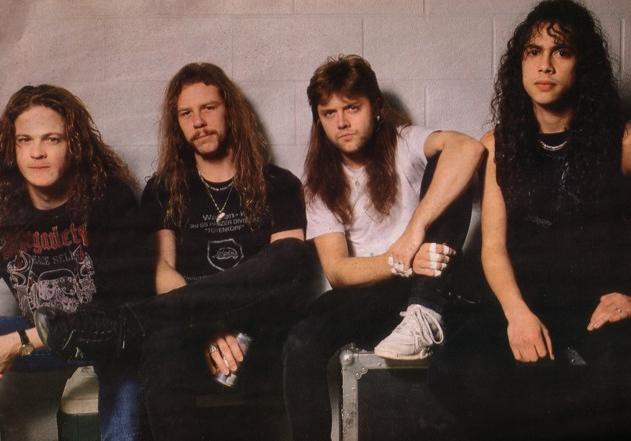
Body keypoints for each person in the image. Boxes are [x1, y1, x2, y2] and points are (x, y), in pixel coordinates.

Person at [36, 63, 310, 441]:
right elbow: (163, 270)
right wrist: (211, 327)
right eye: (186, 113)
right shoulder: (164, 189)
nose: (198, 121)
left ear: (230, 111)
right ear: (177, 123)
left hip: (259, 330)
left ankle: (119, 324)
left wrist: (223, 323)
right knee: (160, 351)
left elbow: (285, 270)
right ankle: (133, 326)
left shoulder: (279, 183)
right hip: (190, 331)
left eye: (208, 108)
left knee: (290, 253)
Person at [429, 1, 631, 440]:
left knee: (618, 380)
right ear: (519, 64)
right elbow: (493, 247)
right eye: (533, 51)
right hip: (523, 295)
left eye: (562, 52)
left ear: (582, 64)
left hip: (595, 301)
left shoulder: (622, 140)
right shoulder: (499, 144)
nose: (545, 65)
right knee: (451, 368)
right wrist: (516, 313)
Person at [282, 54, 484, 441]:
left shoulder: (404, 142)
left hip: (431, 288)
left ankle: (425, 309)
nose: (341, 123)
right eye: (328, 113)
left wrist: (414, 234)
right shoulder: (320, 183)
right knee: (301, 341)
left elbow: (468, 150)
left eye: (352, 108)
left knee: (447, 164)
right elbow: (338, 271)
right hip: (372, 295)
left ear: (376, 107)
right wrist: (400, 259)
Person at [0, 84, 149, 441]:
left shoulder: (109, 199)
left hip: (110, 340)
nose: (37, 152)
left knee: (126, 381)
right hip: (40, 338)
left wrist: (20, 341)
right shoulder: (4, 206)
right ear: (11, 149)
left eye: (52, 139)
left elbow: (122, 314)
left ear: (74, 145)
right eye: (24, 140)